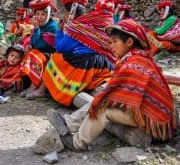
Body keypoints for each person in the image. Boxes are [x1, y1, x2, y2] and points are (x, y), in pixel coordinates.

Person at [47, 19, 176, 151]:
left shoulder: (134, 64)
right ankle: (68, 123)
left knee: (101, 107)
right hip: (150, 113)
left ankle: (77, 142)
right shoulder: (137, 59)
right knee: (102, 101)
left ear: (129, 42)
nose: (111, 46)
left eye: (115, 41)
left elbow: (116, 95)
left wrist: (103, 99)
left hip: (153, 119)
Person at [42, 0, 115, 106]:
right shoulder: (95, 23)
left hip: (87, 64)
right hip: (105, 65)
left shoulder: (77, 27)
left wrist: (60, 31)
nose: (64, 16)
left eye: (66, 12)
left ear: (71, 13)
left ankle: (64, 93)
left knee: (56, 58)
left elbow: (60, 48)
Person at [21, 0, 59, 98]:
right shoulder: (39, 25)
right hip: (40, 51)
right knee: (27, 53)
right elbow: (34, 42)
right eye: (37, 14)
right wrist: (30, 45)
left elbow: (42, 45)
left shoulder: (52, 26)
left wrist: (37, 28)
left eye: (43, 14)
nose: (40, 17)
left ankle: (34, 86)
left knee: (34, 57)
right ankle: (28, 84)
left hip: (50, 54)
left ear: (49, 15)